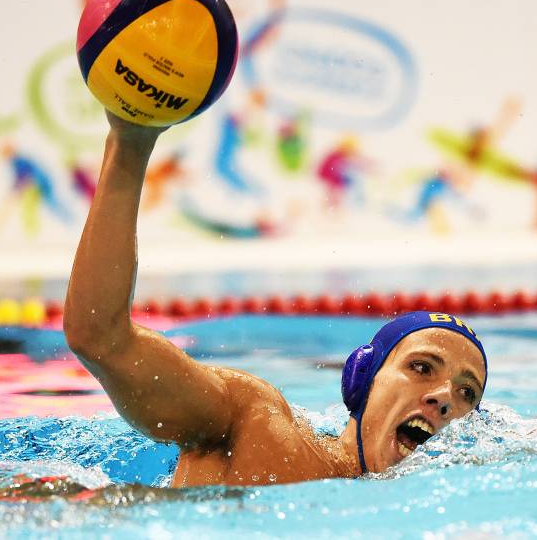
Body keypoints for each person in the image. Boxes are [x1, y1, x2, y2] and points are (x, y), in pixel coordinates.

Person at [64, 112, 488, 487]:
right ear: (361, 379)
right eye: (421, 367)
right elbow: (100, 337)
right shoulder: (255, 422)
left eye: (467, 393)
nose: (445, 396)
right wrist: (130, 145)